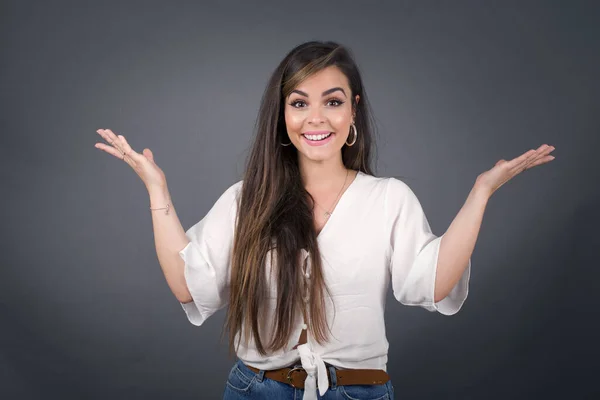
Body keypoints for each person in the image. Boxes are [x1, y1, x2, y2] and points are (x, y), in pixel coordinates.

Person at [94, 40, 556, 400]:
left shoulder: (388, 198)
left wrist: (481, 192)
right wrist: (158, 193)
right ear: (283, 115)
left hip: (360, 391)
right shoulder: (248, 200)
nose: (316, 118)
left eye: (332, 102)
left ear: (353, 108)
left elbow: (431, 283)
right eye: (299, 103)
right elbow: (190, 285)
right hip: (256, 389)